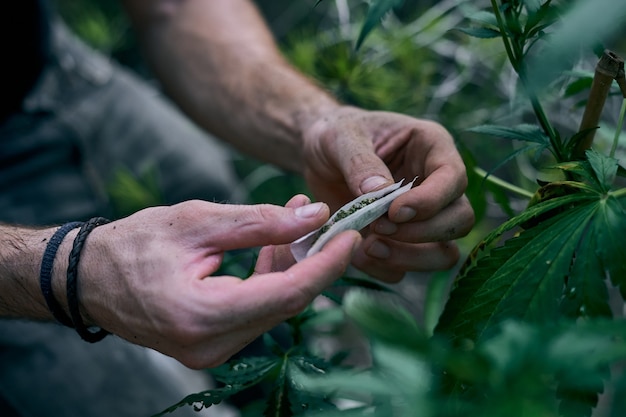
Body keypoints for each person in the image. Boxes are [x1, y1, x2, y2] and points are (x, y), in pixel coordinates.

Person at [0, 0, 474, 416]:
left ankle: (291, 381)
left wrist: (319, 124)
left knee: (206, 188)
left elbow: (176, 8)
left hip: (45, 65)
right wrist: (64, 271)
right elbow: (64, 271)